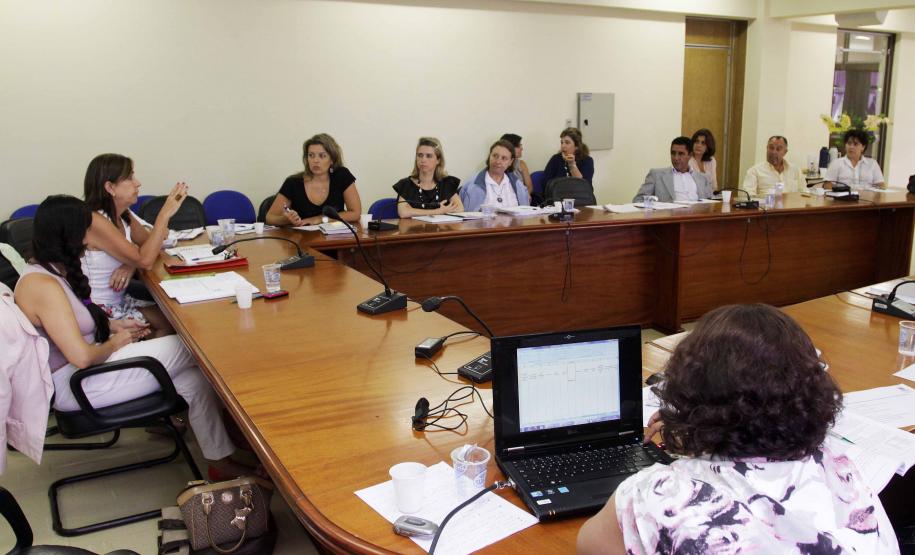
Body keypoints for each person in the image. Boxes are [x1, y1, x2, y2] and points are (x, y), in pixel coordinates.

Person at [577, 304, 898, 554]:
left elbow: (588, 545)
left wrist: (696, 449)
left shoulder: (659, 493)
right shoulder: (839, 469)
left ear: (689, 392)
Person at [15, 195, 251, 478]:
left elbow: (73, 326)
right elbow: (81, 356)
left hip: (91, 372)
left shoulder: (53, 271)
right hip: (79, 385)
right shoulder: (41, 284)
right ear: (68, 236)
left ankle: (220, 461)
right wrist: (116, 342)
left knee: (195, 380)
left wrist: (114, 325)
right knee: (199, 343)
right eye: (87, 233)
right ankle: (249, 430)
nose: (92, 241)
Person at [82, 154, 179, 338]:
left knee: (178, 319)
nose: (138, 183)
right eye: (130, 178)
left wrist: (130, 264)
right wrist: (163, 215)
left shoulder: (123, 214)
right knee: (176, 325)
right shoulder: (95, 220)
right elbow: (147, 260)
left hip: (119, 301)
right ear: (110, 187)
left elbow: (152, 245)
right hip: (99, 311)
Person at [266, 133, 362, 225]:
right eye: (311, 155)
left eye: (322, 156)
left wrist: (320, 219)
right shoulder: (293, 182)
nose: (315, 160)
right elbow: (270, 218)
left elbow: (355, 213)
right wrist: (286, 220)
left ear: (332, 159)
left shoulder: (341, 176)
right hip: (303, 239)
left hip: (333, 237)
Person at [392, 137, 463, 218]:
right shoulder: (406, 184)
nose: (423, 160)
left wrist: (417, 212)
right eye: (420, 155)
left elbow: (459, 209)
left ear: (438, 160)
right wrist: (438, 211)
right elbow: (404, 212)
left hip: (442, 230)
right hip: (414, 230)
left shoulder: (447, 183)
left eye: (429, 156)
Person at [632, 136, 713, 202]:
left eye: (681, 154)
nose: (676, 158)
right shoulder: (656, 175)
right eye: (673, 153)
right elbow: (638, 200)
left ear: (690, 155)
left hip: (696, 219)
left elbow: (710, 204)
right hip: (670, 219)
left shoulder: (703, 178)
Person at [459, 139, 530, 212]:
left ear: (510, 162)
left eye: (504, 158)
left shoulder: (519, 186)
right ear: (489, 156)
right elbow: (467, 219)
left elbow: (526, 215)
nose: (498, 161)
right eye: (495, 156)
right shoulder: (471, 186)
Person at [742, 135, 807, 196]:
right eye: (771, 148)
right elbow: (748, 196)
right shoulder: (754, 171)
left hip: (793, 207)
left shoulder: (795, 170)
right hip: (766, 207)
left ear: (785, 152)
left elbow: (804, 193)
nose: (774, 152)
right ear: (767, 148)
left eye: (778, 149)